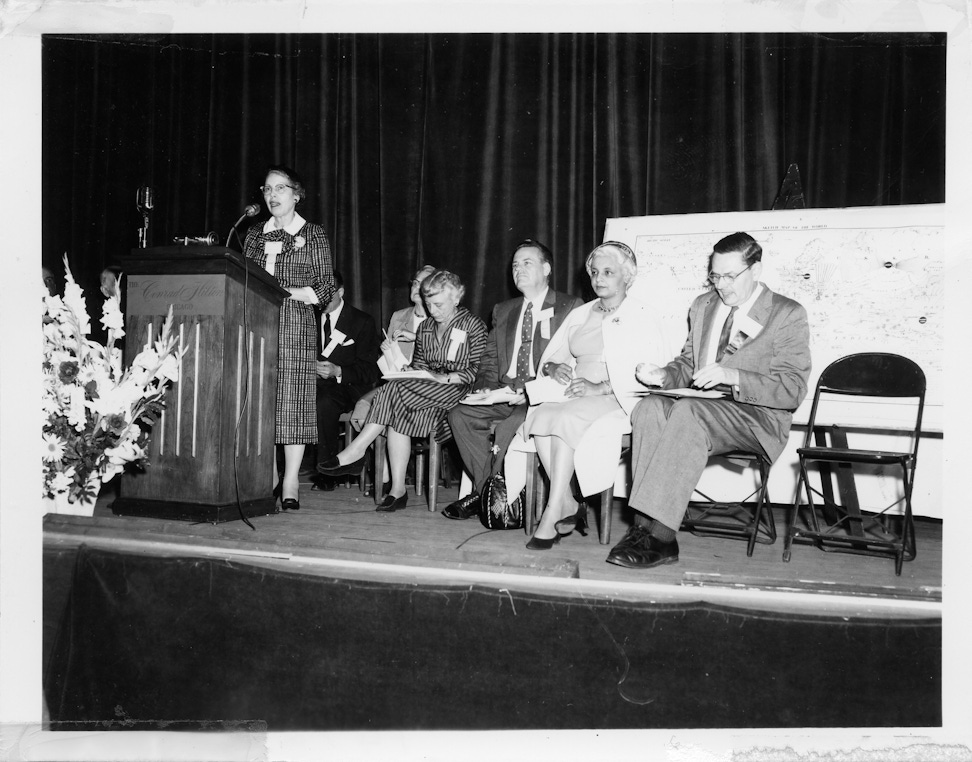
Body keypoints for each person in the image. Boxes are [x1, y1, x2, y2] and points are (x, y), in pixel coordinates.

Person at [607, 231, 811, 569]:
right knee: (650, 408)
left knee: (688, 412)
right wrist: (663, 375)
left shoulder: (786, 314)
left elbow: (792, 389)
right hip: (703, 410)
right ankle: (648, 533)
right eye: (716, 275)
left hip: (756, 419)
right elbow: (688, 364)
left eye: (731, 276)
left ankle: (658, 535)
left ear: (756, 270)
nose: (721, 285)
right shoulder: (703, 305)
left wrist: (735, 377)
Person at [504, 241, 673, 550]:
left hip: (619, 398)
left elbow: (653, 373)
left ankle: (554, 508)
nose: (599, 278)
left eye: (608, 272)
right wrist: (555, 368)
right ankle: (566, 500)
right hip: (576, 393)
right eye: (595, 272)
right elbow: (555, 357)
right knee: (541, 415)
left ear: (628, 276)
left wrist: (603, 387)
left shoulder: (643, 315)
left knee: (564, 417)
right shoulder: (582, 313)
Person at [318, 269, 487, 512]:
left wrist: (444, 376)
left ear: (457, 297)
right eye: (429, 305)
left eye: (438, 304)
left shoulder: (473, 325)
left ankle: (356, 450)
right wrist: (410, 370)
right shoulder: (427, 327)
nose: (433, 311)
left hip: (457, 391)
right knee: (397, 411)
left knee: (393, 390)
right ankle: (398, 490)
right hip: (424, 393)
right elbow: (420, 365)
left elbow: (478, 372)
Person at [442, 239, 581, 520]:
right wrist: (484, 388)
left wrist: (531, 389)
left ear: (546, 268)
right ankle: (493, 496)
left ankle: (491, 500)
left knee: (507, 428)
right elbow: (490, 359)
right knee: (459, 415)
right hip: (504, 392)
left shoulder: (570, 306)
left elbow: (573, 360)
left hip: (538, 396)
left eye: (527, 263)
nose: (519, 269)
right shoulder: (504, 309)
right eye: (515, 265)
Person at [243, 165, 335, 511]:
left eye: (280, 188)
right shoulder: (254, 234)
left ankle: (291, 479)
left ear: (296, 194)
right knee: (260, 402)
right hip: (255, 324)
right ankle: (263, 476)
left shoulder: (312, 234)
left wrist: (284, 291)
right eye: (267, 189)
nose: (272, 195)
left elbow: (325, 288)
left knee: (292, 402)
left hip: (295, 324)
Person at [311, 270, 381, 491]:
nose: (321, 301)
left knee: (324, 400)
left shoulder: (362, 321)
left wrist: (338, 370)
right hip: (311, 384)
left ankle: (326, 469)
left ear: (341, 292)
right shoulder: (306, 319)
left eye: (327, 295)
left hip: (347, 387)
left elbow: (370, 370)